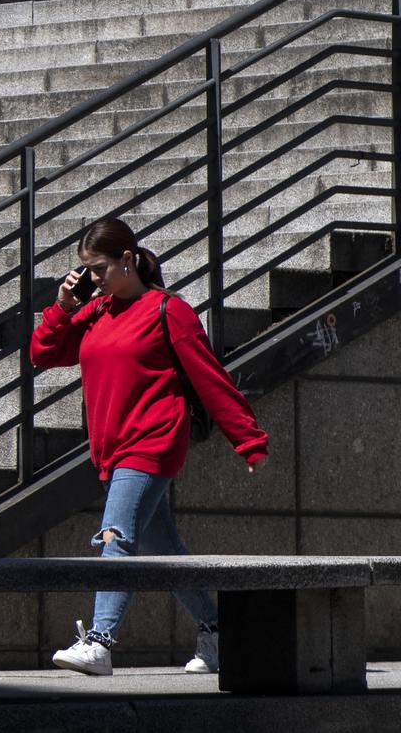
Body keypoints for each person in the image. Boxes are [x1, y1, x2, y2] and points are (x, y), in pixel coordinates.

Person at [32, 218, 269, 676]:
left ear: (127, 260)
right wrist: (61, 307)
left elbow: (210, 377)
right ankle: (219, 631)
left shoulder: (168, 310)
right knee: (164, 549)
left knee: (115, 535)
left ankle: (100, 642)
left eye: (98, 269)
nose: (93, 280)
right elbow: (44, 353)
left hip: (153, 441)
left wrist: (249, 441)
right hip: (111, 446)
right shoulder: (95, 312)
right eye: (86, 271)